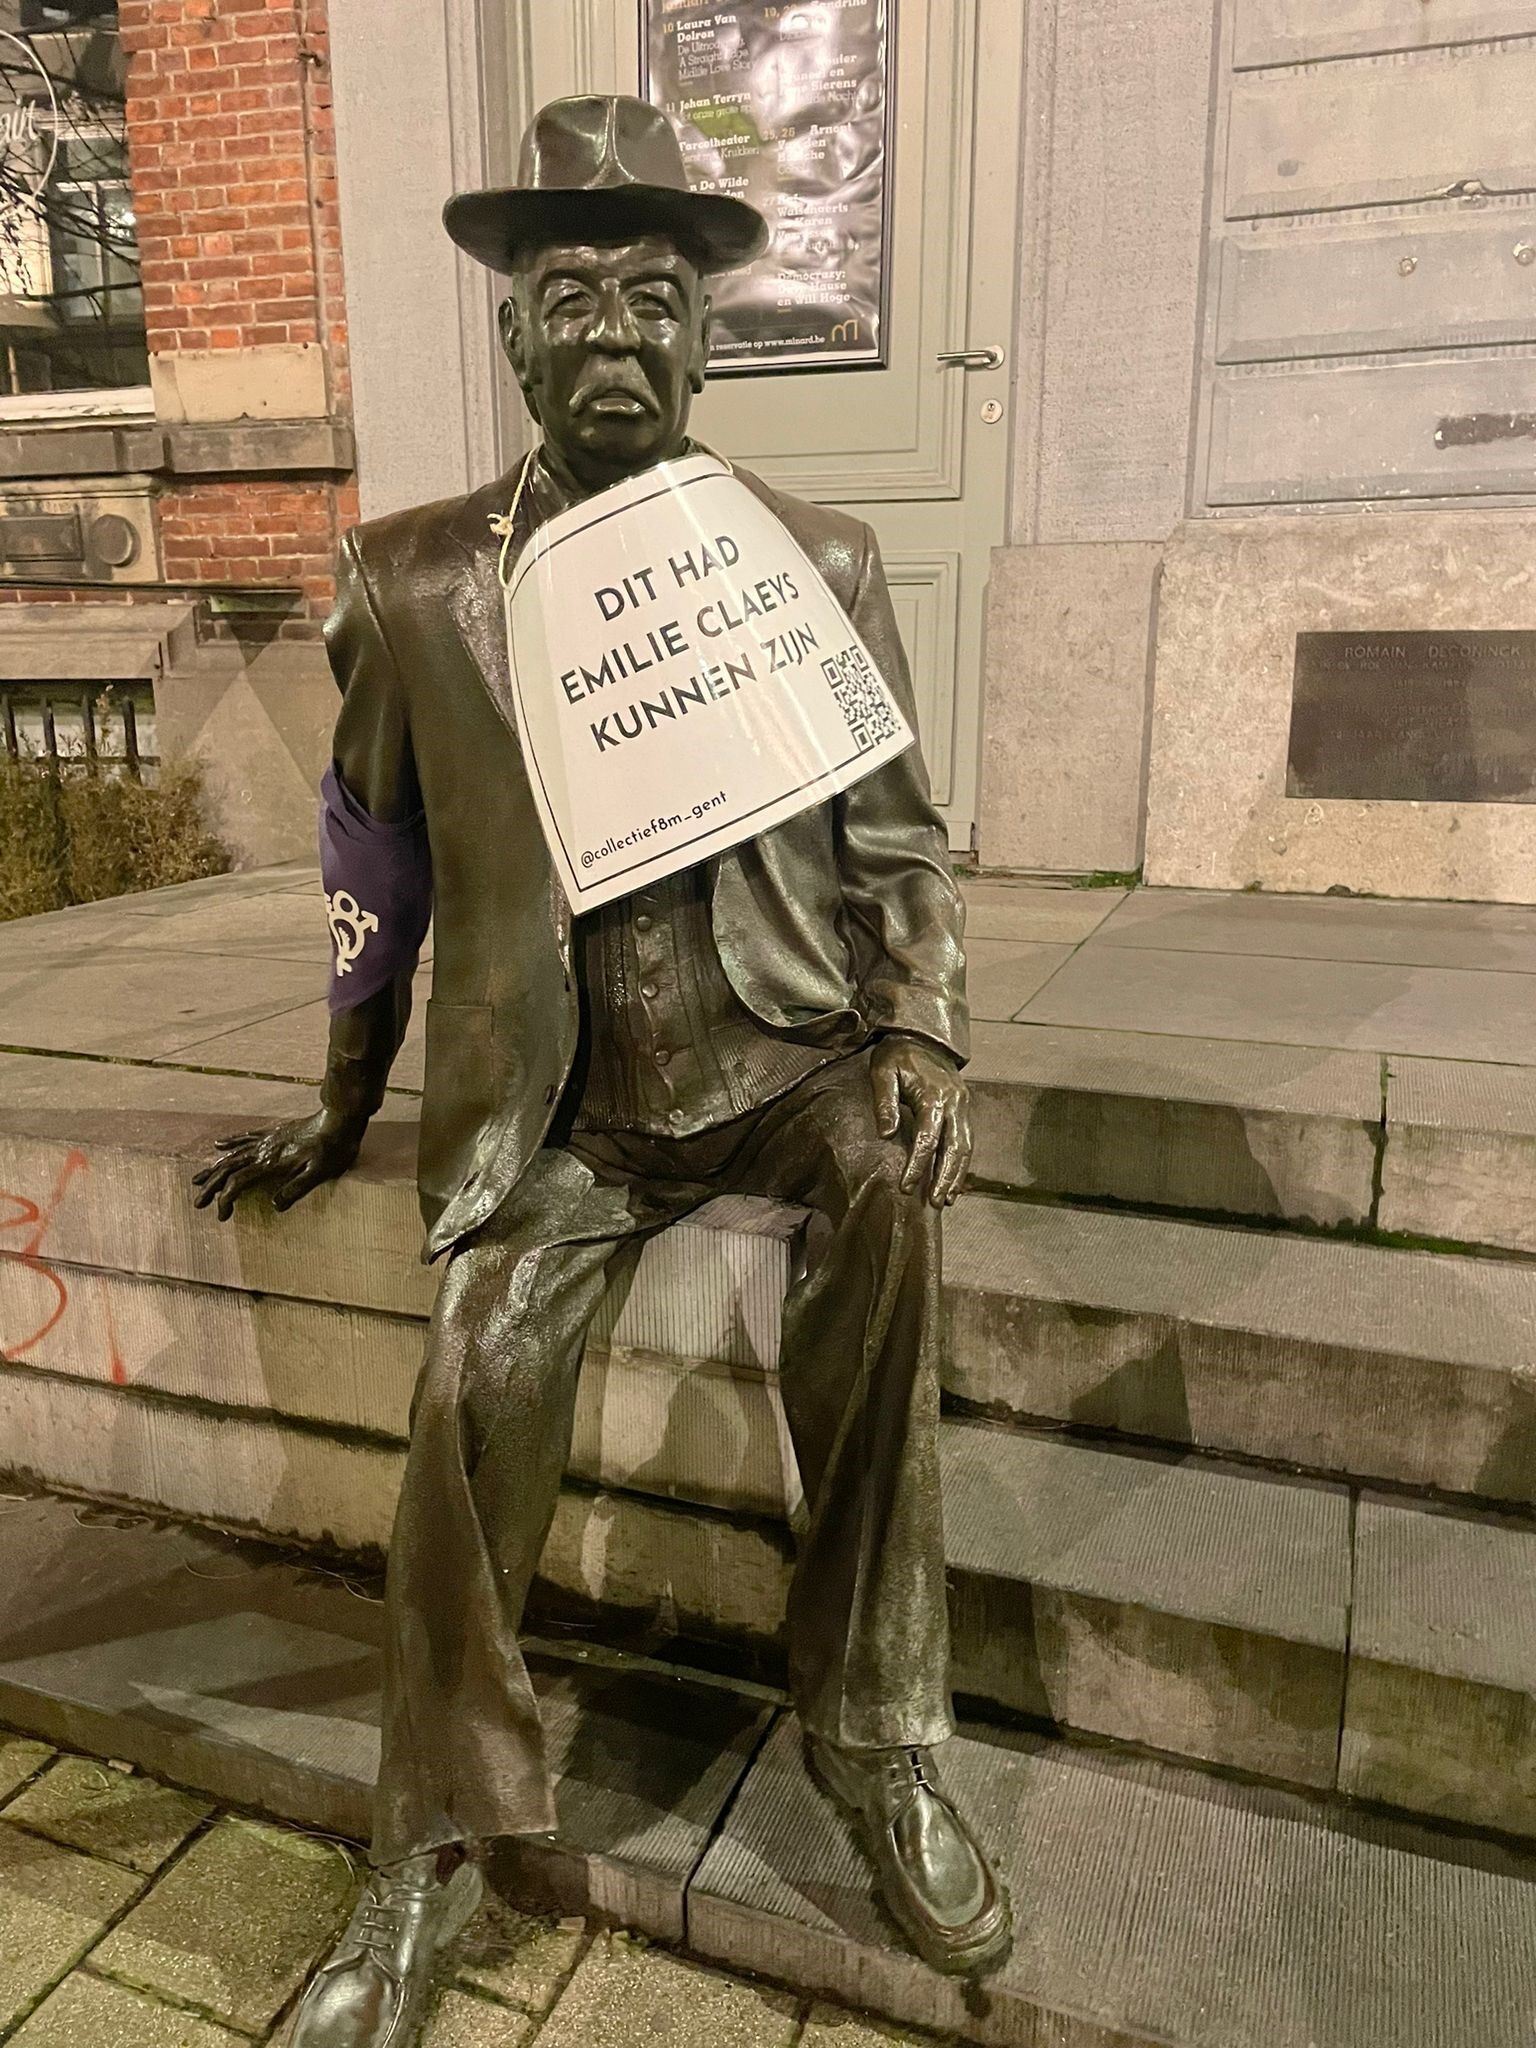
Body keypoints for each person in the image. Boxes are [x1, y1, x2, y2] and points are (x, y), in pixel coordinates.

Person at [193, 93, 1012, 2048]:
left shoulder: (815, 558)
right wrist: (340, 1099)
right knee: (473, 1370)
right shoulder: (410, 580)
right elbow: (375, 865)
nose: (619, 334)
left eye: (658, 298)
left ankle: (875, 1732)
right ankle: (426, 1844)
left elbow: (899, 839)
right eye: (574, 299)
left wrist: (917, 1018)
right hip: (562, 1108)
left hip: (783, 1054)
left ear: (710, 336)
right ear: (513, 337)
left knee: (892, 1201)